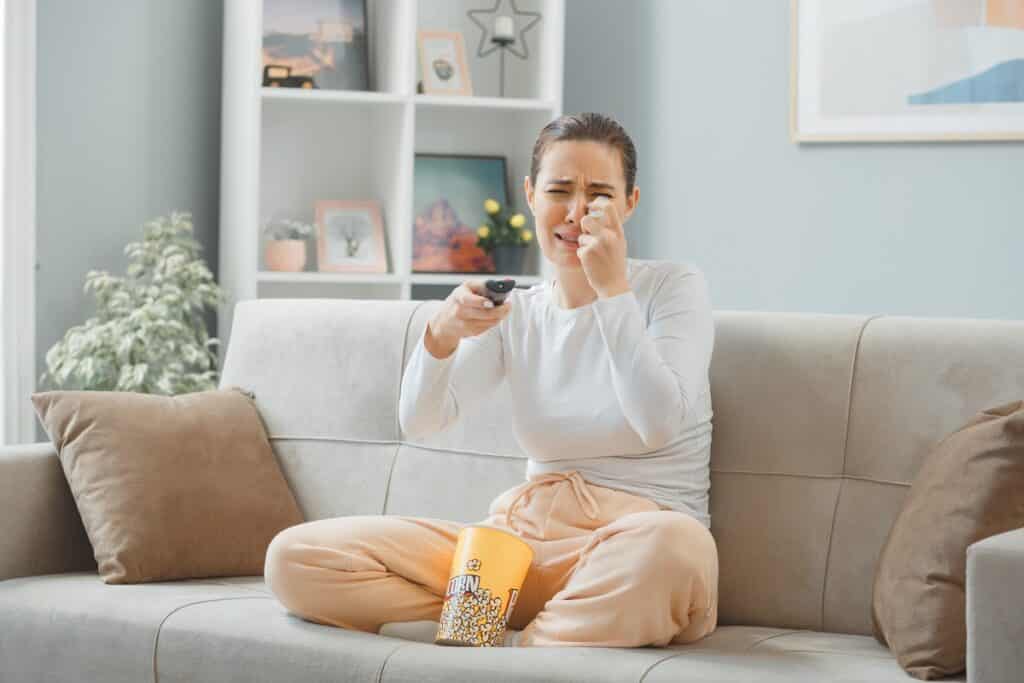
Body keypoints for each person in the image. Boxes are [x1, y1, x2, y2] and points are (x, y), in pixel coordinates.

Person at [264, 112, 718, 648]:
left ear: (629, 203)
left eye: (598, 194)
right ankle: (497, 622)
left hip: (631, 552)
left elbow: (659, 422)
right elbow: (421, 420)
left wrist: (612, 292)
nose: (576, 212)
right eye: (559, 190)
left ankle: (501, 650)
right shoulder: (519, 312)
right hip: (517, 551)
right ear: (530, 194)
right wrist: (440, 335)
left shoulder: (671, 287)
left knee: (676, 548)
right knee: (295, 558)